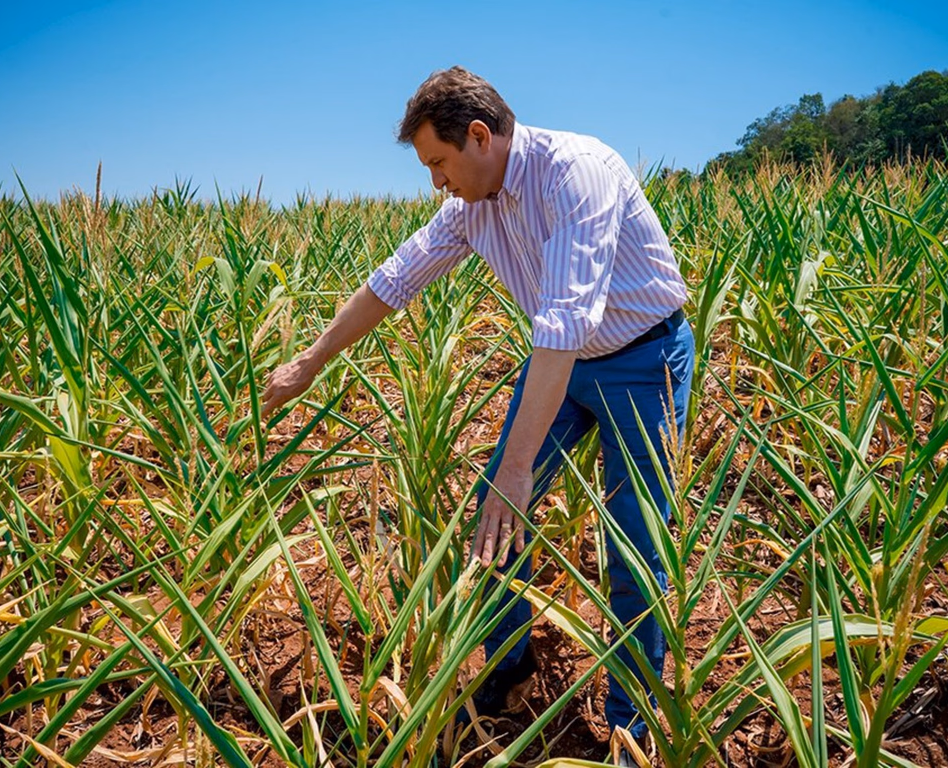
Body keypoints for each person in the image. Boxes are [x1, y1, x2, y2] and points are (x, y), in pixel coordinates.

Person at [262, 66, 694, 757]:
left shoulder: (576, 172)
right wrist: (309, 362)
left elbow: (564, 323)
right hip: (562, 367)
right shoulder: (470, 206)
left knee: (635, 549)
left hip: (643, 363)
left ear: (480, 136)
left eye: (438, 162)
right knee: (495, 517)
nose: (436, 181)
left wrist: (518, 468)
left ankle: (628, 727)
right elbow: (393, 281)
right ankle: (509, 664)